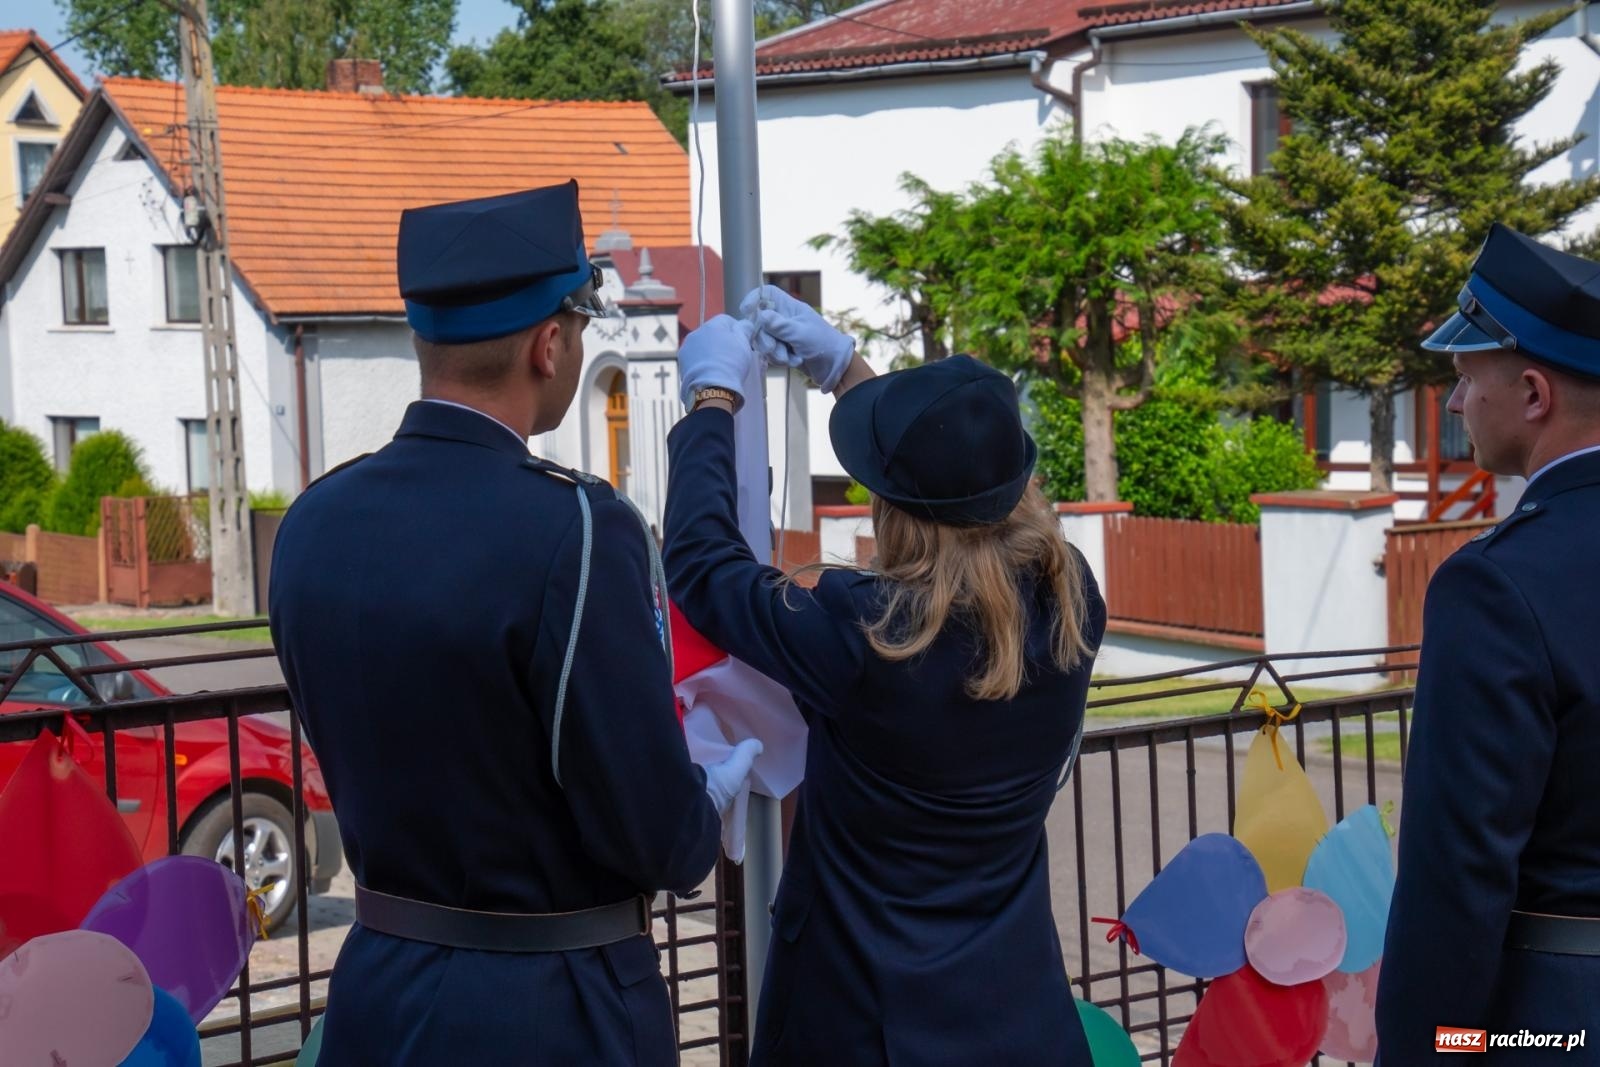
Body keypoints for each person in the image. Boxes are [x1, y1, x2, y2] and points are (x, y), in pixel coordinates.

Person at [268, 180, 760, 1066]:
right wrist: (705, 805)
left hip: (377, 991)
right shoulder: (577, 527)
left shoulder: (313, 519)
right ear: (549, 343)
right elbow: (651, 829)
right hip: (551, 1008)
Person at [664, 290, 1108, 1064]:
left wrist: (713, 400)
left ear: (893, 514)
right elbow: (958, 474)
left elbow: (704, 566)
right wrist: (849, 372)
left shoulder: (865, 636)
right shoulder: (1072, 603)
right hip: (1017, 1019)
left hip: (860, 1028)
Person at [1375, 224, 1600, 1062]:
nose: (1458, 402)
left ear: (1534, 394)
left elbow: (1456, 882)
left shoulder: (1498, 585)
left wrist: (1435, 1051)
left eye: (1467, 377)